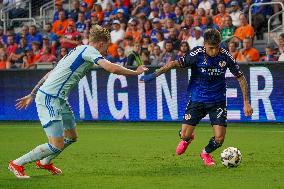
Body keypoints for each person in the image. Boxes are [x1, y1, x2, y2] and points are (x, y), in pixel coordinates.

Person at [8, 25, 148, 179]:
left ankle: (44, 162)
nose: (108, 50)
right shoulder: (89, 51)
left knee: (71, 137)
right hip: (50, 98)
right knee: (56, 144)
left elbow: (51, 73)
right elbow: (111, 68)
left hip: (59, 99)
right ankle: (17, 163)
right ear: (101, 43)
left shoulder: (78, 50)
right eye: (107, 46)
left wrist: (32, 94)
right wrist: (136, 72)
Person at [140, 29, 253, 166]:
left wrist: (246, 102)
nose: (215, 51)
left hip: (217, 101)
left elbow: (240, 77)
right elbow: (172, 64)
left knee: (219, 139)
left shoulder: (225, 55)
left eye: (217, 47)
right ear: (204, 44)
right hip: (197, 100)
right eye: (211, 48)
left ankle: (205, 153)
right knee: (184, 135)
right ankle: (187, 139)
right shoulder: (196, 54)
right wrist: (152, 76)